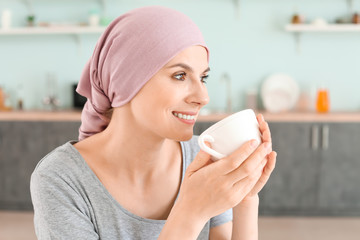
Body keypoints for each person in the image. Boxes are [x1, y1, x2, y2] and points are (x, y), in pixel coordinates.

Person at [30, 6, 276, 240]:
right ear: (124, 81)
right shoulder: (61, 178)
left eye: (203, 77)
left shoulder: (202, 156)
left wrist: (245, 197)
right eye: (180, 76)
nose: (203, 97)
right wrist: (190, 212)